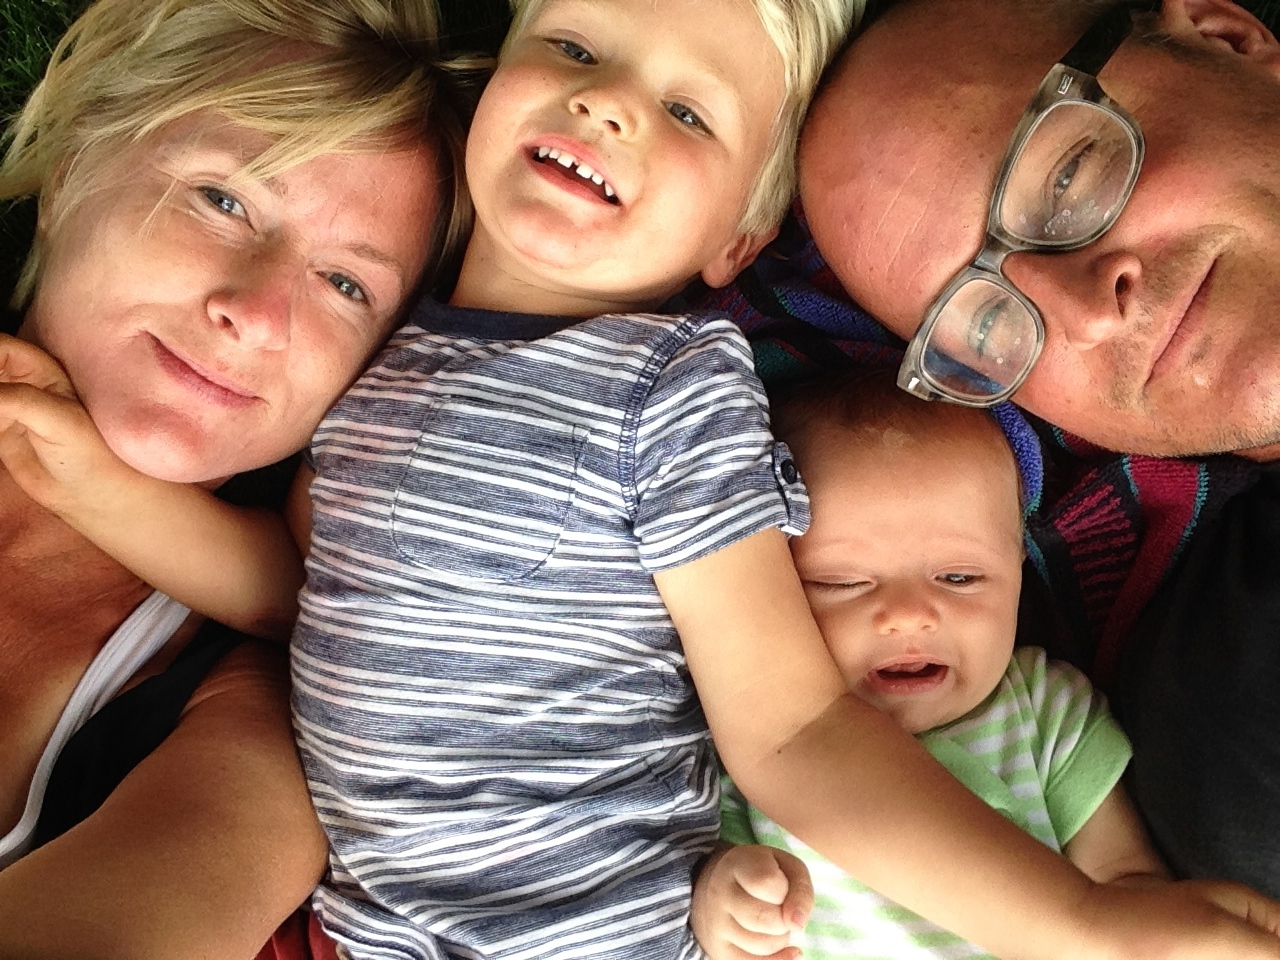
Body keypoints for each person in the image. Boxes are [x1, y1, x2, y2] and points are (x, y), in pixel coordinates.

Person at [14, 0, 1280, 958]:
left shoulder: (673, 392)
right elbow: (309, 591)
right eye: (572, 47)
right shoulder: (382, 360)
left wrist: (1078, 925)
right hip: (382, 926)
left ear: (738, 239)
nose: (607, 104)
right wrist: (87, 485)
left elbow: (790, 730)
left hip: (600, 923)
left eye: (688, 115)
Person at [695, 0, 1280, 898]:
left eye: (1066, 176)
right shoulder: (1224, 743)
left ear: (1226, 36)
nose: (1086, 310)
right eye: (989, 323)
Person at [0, 0, 473, 955]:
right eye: (224, 201)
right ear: (71, 169)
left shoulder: (254, 728)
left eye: (346, 285)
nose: (257, 314)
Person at [691, 371, 1170, 959]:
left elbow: (1130, 884)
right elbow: (703, 876)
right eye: (841, 582)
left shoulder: (1045, 713)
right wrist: (721, 896)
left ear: (1019, 571)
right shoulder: (744, 743)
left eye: (959, 577)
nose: (910, 616)